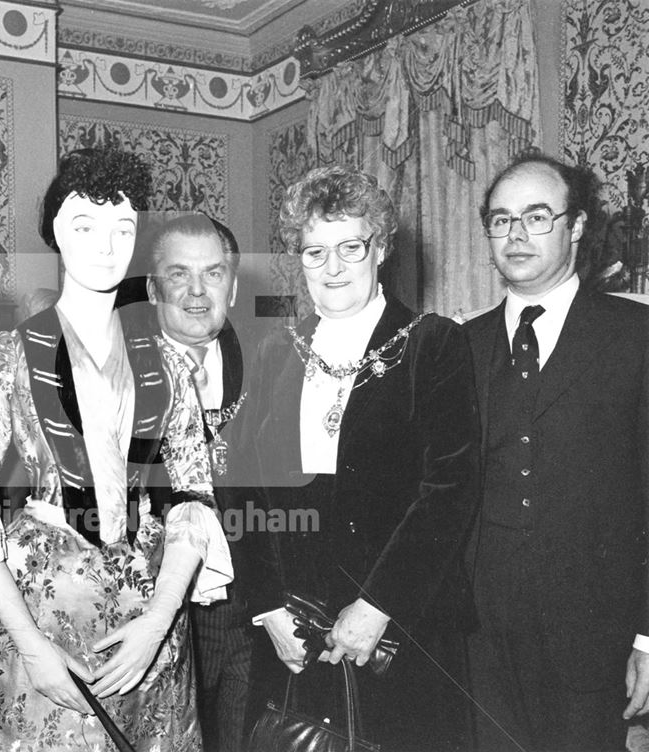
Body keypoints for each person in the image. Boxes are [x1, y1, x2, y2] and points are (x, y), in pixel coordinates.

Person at [0, 147, 233, 751]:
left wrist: (160, 620)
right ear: (56, 235)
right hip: (38, 617)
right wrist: (29, 645)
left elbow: (194, 500)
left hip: (149, 621)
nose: (106, 244)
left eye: (124, 227)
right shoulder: (4, 356)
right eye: (84, 225)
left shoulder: (169, 360)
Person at [242, 165, 479, 750]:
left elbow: (450, 488)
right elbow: (239, 483)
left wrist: (377, 607)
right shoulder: (273, 349)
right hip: (292, 636)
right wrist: (267, 606)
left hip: (400, 629)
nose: (333, 267)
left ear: (380, 249)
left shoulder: (433, 342)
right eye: (314, 251)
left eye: (350, 246)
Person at [465, 153, 649, 751]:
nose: (516, 235)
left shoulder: (635, 337)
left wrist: (648, 637)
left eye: (537, 216)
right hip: (479, 640)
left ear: (576, 227)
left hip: (596, 639)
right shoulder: (457, 347)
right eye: (500, 219)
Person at [145, 214, 254, 751]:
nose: (195, 291)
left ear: (231, 285)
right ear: (152, 287)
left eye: (212, 274)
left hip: (244, 608)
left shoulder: (269, 357)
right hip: (149, 607)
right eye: (178, 274)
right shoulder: (112, 366)